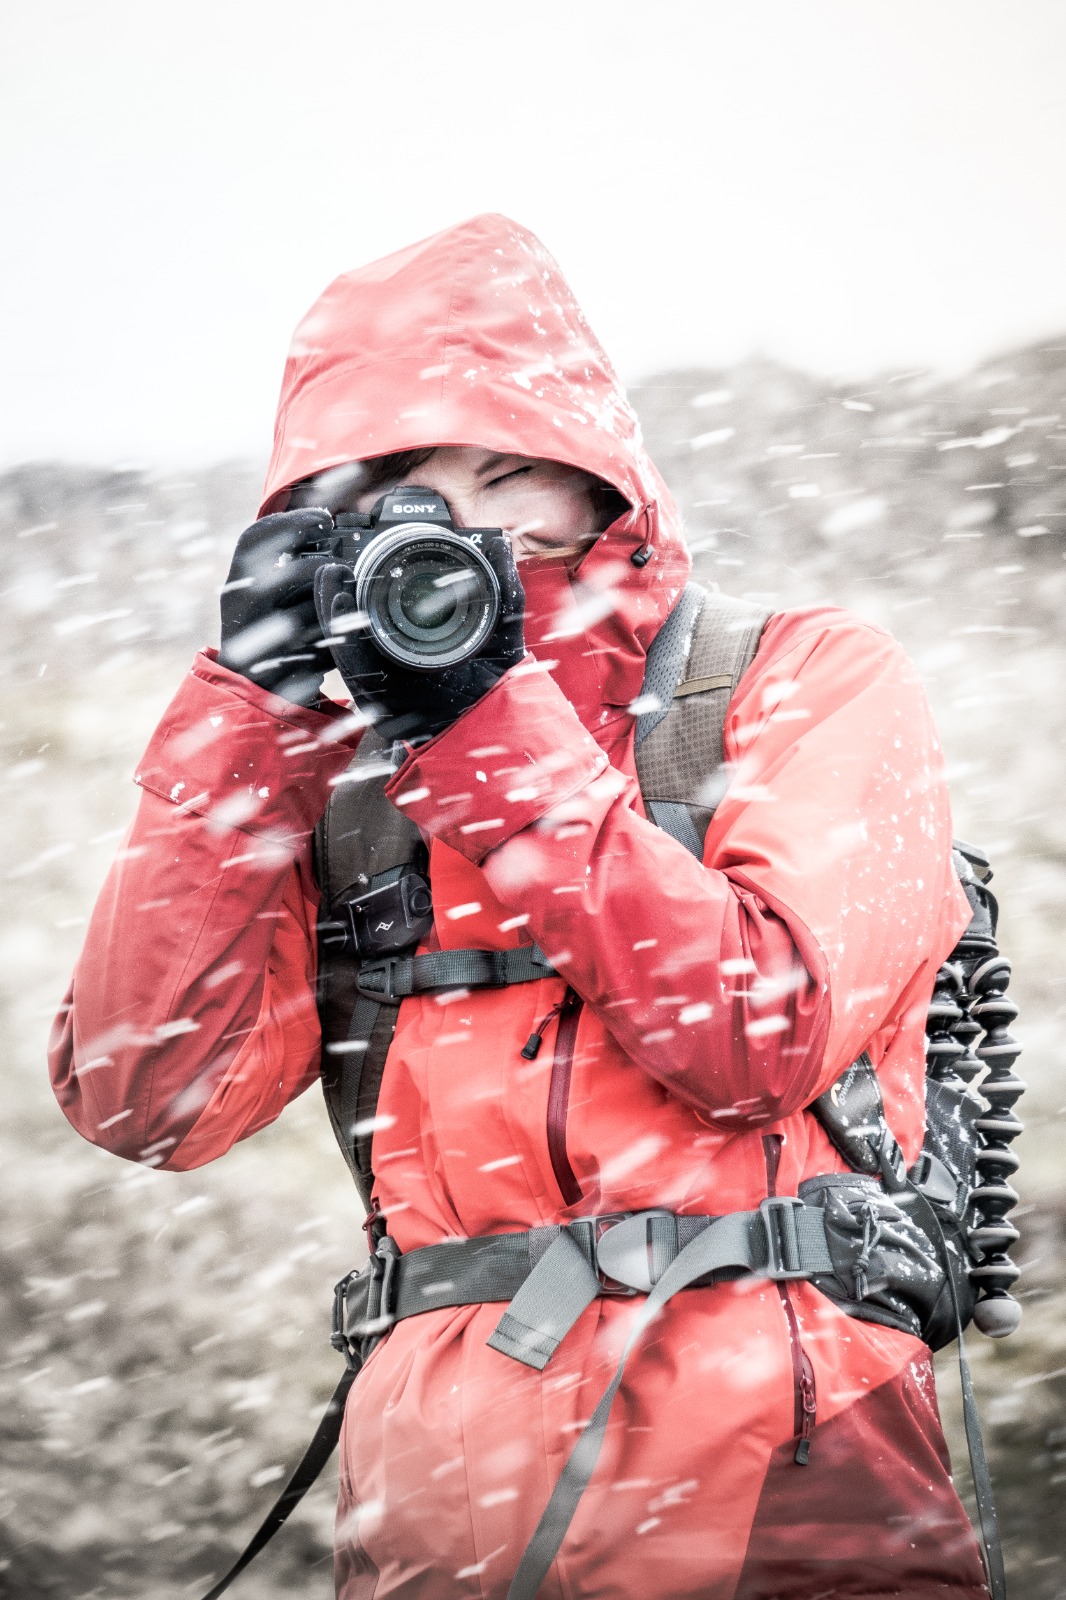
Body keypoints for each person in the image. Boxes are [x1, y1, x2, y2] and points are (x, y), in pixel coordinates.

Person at [49, 213, 992, 1599]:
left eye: (503, 477)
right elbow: (148, 1100)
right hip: (436, 1508)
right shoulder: (338, 774)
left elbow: (754, 1037)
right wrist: (241, 717)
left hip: (785, 1480)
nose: (465, 531)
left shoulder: (800, 676)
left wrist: (482, 721)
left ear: (601, 482)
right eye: (397, 499)